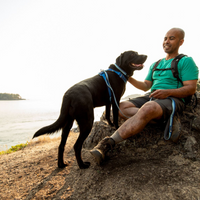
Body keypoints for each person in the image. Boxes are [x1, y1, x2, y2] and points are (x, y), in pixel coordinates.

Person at [90, 28, 199, 165]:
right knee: (120, 107)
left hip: (173, 99)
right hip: (152, 96)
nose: (166, 41)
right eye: (165, 38)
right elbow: (146, 85)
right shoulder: (156, 64)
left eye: (171, 38)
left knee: (148, 107)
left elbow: (190, 88)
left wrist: (168, 92)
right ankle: (161, 120)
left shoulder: (186, 61)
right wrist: (127, 77)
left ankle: (108, 144)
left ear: (181, 42)